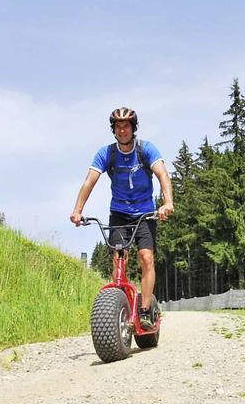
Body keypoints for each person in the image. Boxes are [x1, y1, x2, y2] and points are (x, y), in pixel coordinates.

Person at [70, 107, 175, 328]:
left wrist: (167, 203)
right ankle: (120, 305)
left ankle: (145, 310)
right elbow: (89, 181)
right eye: (118, 126)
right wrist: (77, 210)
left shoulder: (145, 149)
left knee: (146, 257)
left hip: (145, 213)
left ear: (133, 128)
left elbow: (163, 174)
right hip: (119, 213)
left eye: (126, 125)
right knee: (119, 258)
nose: (122, 130)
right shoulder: (107, 154)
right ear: (114, 129)